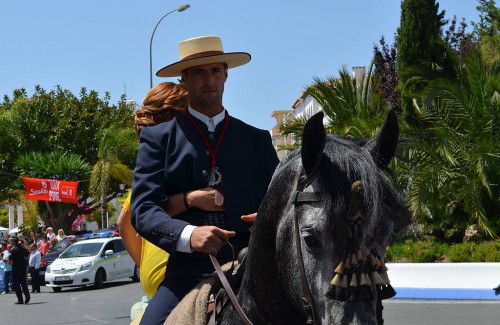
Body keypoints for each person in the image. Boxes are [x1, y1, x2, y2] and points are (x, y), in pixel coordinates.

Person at [131, 35, 279, 324]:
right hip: (188, 271)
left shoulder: (257, 140)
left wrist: (267, 217)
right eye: (198, 72)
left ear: (226, 74)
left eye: (215, 71)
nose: (209, 79)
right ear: (184, 78)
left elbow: (280, 201)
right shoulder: (158, 139)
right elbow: (143, 210)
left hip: (255, 265)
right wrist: (189, 235)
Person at [117, 82, 227, 318]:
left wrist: (144, 264)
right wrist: (190, 200)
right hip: (179, 279)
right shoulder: (172, 161)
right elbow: (137, 213)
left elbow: (125, 221)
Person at [9, 236, 30, 304]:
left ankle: (20, 299)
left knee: (16, 284)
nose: (11, 242)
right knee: (23, 283)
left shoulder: (13, 249)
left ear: (14, 241)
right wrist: (23, 260)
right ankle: (27, 296)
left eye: (11, 241)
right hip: (23, 268)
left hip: (16, 269)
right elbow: (27, 256)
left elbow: (10, 261)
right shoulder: (23, 248)